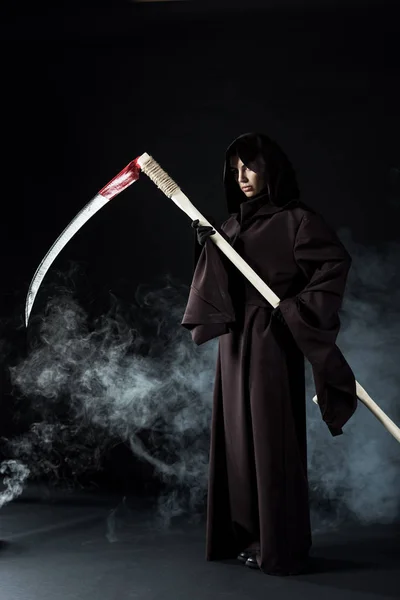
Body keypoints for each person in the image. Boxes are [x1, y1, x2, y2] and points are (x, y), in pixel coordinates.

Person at [181, 132, 357, 576]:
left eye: (250, 166)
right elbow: (222, 286)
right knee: (237, 440)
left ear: (271, 168)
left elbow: (333, 265)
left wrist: (296, 310)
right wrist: (208, 248)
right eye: (235, 169)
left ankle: (281, 545)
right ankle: (247, 536)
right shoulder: (232, 226)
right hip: (235, 342)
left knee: (271, 440)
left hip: (274, 338)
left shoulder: (298, 220)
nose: (241, 177)